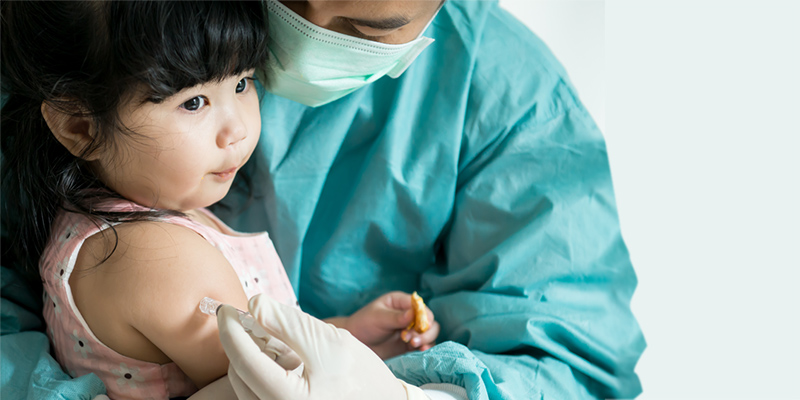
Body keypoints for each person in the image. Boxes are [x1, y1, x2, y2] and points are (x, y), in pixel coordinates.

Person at [206, 0, 647, 399]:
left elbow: (569, 367)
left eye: (366, 31)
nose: (301, 44)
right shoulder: (152, 18)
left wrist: (402, 396)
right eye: (282, 4)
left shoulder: (509, 95)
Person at [0, 1, 437, 399]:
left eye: (243, 82)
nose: (238, 130)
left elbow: (275, 356)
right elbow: (271, 378)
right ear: (80, 128)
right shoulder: (156, 259)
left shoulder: (114, 214)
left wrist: (344, 335)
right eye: (194, 102)